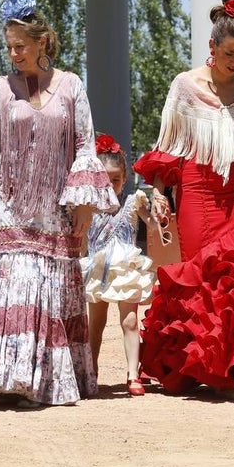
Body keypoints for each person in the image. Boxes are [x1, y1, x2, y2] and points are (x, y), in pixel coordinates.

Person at [0, 0, 118, 408]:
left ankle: (46, 381)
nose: (14, 54)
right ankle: (12, 377)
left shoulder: (73, 86)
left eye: (20, 46)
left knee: (53, 292)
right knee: (17, 285)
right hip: (11, 205)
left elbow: (83, 146)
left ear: (42, 42)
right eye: (8, 47)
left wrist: (84, 203)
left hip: (57, 208)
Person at [134, 0, 234, 400]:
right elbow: (167, 146)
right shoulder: (184, 86)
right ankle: (193, 368)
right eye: (229, 52)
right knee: (198, 280)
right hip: (196, 192)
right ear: (212, 46)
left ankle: (232, 373)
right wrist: (159, 192)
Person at [82, 134, 154, 396]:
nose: (110, 185)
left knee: (130, 321)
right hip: (98, 270)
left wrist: (159, 216)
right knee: (96, 324)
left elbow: (153, 222)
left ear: (124, 179)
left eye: (115, 180)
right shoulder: (87, 206)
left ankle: (133, 374)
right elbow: (78, 236)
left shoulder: (133, 202)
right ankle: (91, 372)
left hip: (125, 269)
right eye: (104, 179)